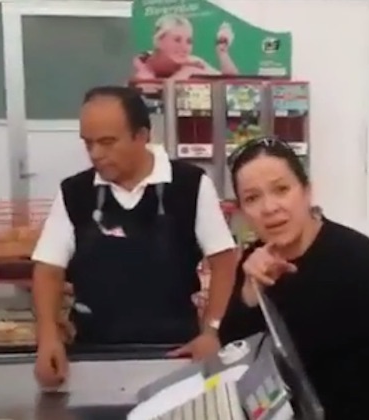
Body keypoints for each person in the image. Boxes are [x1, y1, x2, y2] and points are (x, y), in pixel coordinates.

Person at [32, 86, 238, 388]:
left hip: (176, 356)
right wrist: (48, 335)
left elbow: (224, 261)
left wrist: (212, 330)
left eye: (107, 142)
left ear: (141, 136)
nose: (95, 154)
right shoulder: (74, 193)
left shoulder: (190, 185)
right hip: (91, 357)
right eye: (88, 143)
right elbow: (48, 269)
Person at [219, 137, 369, 419]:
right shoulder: (254, 260)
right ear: (242, 212)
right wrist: (250, 293)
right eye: (252, 198)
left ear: (307, 192)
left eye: (281, 189)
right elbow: (232, 354)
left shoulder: (368, 265)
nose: (270, 208)